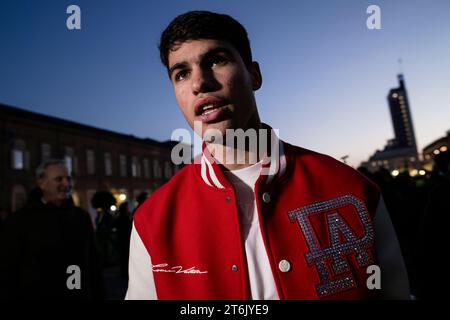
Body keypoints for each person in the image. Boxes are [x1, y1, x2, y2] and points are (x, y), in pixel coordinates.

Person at [126, 11, 409, 300]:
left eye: (216, 60)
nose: (200, 83)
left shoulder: (352, 187)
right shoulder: (151, 222)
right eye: (182, 73)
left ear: (254, 74)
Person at [0, 159, 104, 299]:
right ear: (41, 183)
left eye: (68, 178)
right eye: (59, 179)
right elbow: (8, 270)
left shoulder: (81, 218)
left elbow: (93, 264)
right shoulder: (20, 221)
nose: (66, 184)